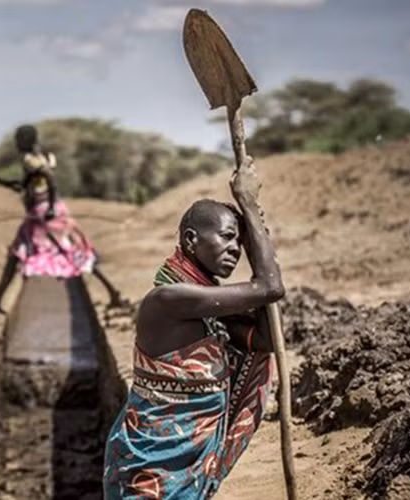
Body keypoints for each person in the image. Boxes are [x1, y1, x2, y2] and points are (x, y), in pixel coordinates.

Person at [102, 156, 283, 499]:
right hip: (154, 466)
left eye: (240, 242)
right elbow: (270, 287)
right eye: (227, 237)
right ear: (190, 240)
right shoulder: (170, 299)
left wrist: (257, 239)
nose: (234, 248)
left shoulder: (209, 307)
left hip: (186, 462)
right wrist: (247, 203)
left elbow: (265, 340)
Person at [0, 124, 125, 312]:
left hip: (43, 213)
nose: (17, 143)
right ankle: (112, 291)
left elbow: (47, 178)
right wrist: (22, 185)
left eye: (19, 139)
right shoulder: (42, 157)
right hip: (54, 208)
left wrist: (47, 207)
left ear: (25, 141)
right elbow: (39, 180)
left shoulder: (28, 159)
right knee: (72, 251)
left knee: (17, 254)